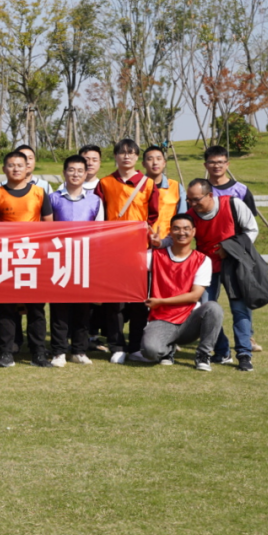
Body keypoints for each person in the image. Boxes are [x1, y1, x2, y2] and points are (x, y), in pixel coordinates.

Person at [94, 138, 161, 365]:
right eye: (122, 152)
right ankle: (116, 345)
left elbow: (153, 215)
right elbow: (99, 214)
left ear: (137, 157)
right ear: (115, 156)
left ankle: (135, 346)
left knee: (139, 302)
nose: (126, 156)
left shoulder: (148, 184)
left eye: (131, 153)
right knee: (115, 302)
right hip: (112, 251)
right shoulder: (105, 183)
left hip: (139, 251)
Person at [0, 150, 53, 368]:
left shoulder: (39, 193)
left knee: (36, 309)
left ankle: (38, 353)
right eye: (11, 165)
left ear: (27, 168)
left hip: (33, 259)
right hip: (5, 260)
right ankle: (6, 353)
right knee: (6, 308)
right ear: (4, 169)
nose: (15, 169)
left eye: (20, 165)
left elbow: (49, 226)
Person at [185, 178, 260, 371]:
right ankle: (222, 350)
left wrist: (230, 249)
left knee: (240, 310)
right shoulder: (191, 215)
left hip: (235, 266)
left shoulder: (233, 204)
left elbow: (252, 230)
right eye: (189, 200)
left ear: (210, 195)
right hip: (206, 268)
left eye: (196, 199)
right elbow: (179, 236)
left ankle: (244, 355)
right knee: (206, 309)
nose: (192, 204)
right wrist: (160, 243)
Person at [138, 213, 223, 371]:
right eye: (176, 229)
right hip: (162, 319)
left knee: (213, 308)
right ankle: (167, 350)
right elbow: (127, 263)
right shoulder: (154, 256)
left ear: (193, 232)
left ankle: (203, 355)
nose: (181, 232)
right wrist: (150, 244)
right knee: (150, 351)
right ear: (170, 232)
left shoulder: (203, 260)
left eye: (186, 229)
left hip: (189, 320)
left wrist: (161, 301)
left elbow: (195, 296)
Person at [45, 155, 102, 368]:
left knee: (82, 308)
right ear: (64, 172)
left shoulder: (95, 200)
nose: (75, 174)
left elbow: (100, 232)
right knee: (59, 308)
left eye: (80, 170)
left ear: (86, 174)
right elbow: (46, 230)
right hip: (59, 260)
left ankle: (79, 350)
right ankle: (59, 351)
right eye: (71, 170)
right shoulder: (53, 198)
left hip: (85, 260)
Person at [144, 146, 186, 240]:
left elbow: (182, 218)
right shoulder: (137, 188)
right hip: (143, 240)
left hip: (169, 241)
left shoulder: (176, 187)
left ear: (164, 163)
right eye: (150, 159)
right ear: (143, 164)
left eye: (159, 159)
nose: (155, 162)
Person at [203, 145, 259, 215]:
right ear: (205, 165)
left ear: (227, 164)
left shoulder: (241, 190)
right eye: (212, 162)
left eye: (220, 162)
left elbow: (250, 218)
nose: (216, 166)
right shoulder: (199, 190)